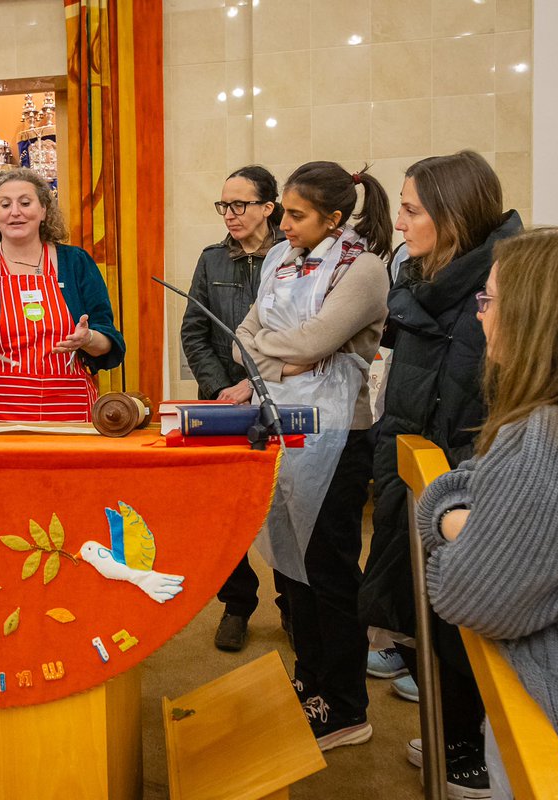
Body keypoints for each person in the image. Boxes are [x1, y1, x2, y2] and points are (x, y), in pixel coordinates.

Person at [417, 227, 558, 800]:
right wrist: (465, 513)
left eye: (489, 300)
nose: (479, 317)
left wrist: (448, 523)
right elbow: (468, 481)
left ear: (536, 317)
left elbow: (468, 594)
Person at [360, 150, 522, 796]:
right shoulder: (429, 278)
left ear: (452, 216)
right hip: (414, 463)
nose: (399, 223)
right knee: (415, 609)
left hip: (459, 482)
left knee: (460, 621)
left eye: (411, 210)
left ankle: (470, 749)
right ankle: (453, 727)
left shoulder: (500, 288)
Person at [233, 161, 391, 750]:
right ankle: (310, 684)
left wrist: (287, 354)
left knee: (327, 570)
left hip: (338, 437)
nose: (285, 224)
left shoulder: (365, 268)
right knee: (290, 565)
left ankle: (346, 706)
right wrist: (288, 360)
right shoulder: (278, 258)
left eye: (297, 216)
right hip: (281, 426)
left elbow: (319, 340)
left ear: (333, 217)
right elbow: (240, 335)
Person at [179, 165, 287, 652]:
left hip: (280, 396)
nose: (230, 215)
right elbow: (194, 332)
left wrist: (253, 385)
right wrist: (222, 388)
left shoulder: (293, 256)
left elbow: (292, 332)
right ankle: (237, 603)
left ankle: (292, 604)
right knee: (224, 511)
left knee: (284, 505)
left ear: (268, 206)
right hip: (221, 402)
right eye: (224, 205)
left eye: (240, 205)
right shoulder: (212, 260)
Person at [0, 168, 125, 421]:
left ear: (43, 210)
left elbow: (108, 339)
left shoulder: (76, 263)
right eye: (5, 204)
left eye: (25, 202)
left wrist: (88, 338)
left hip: (68, 409)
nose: (15, 212)